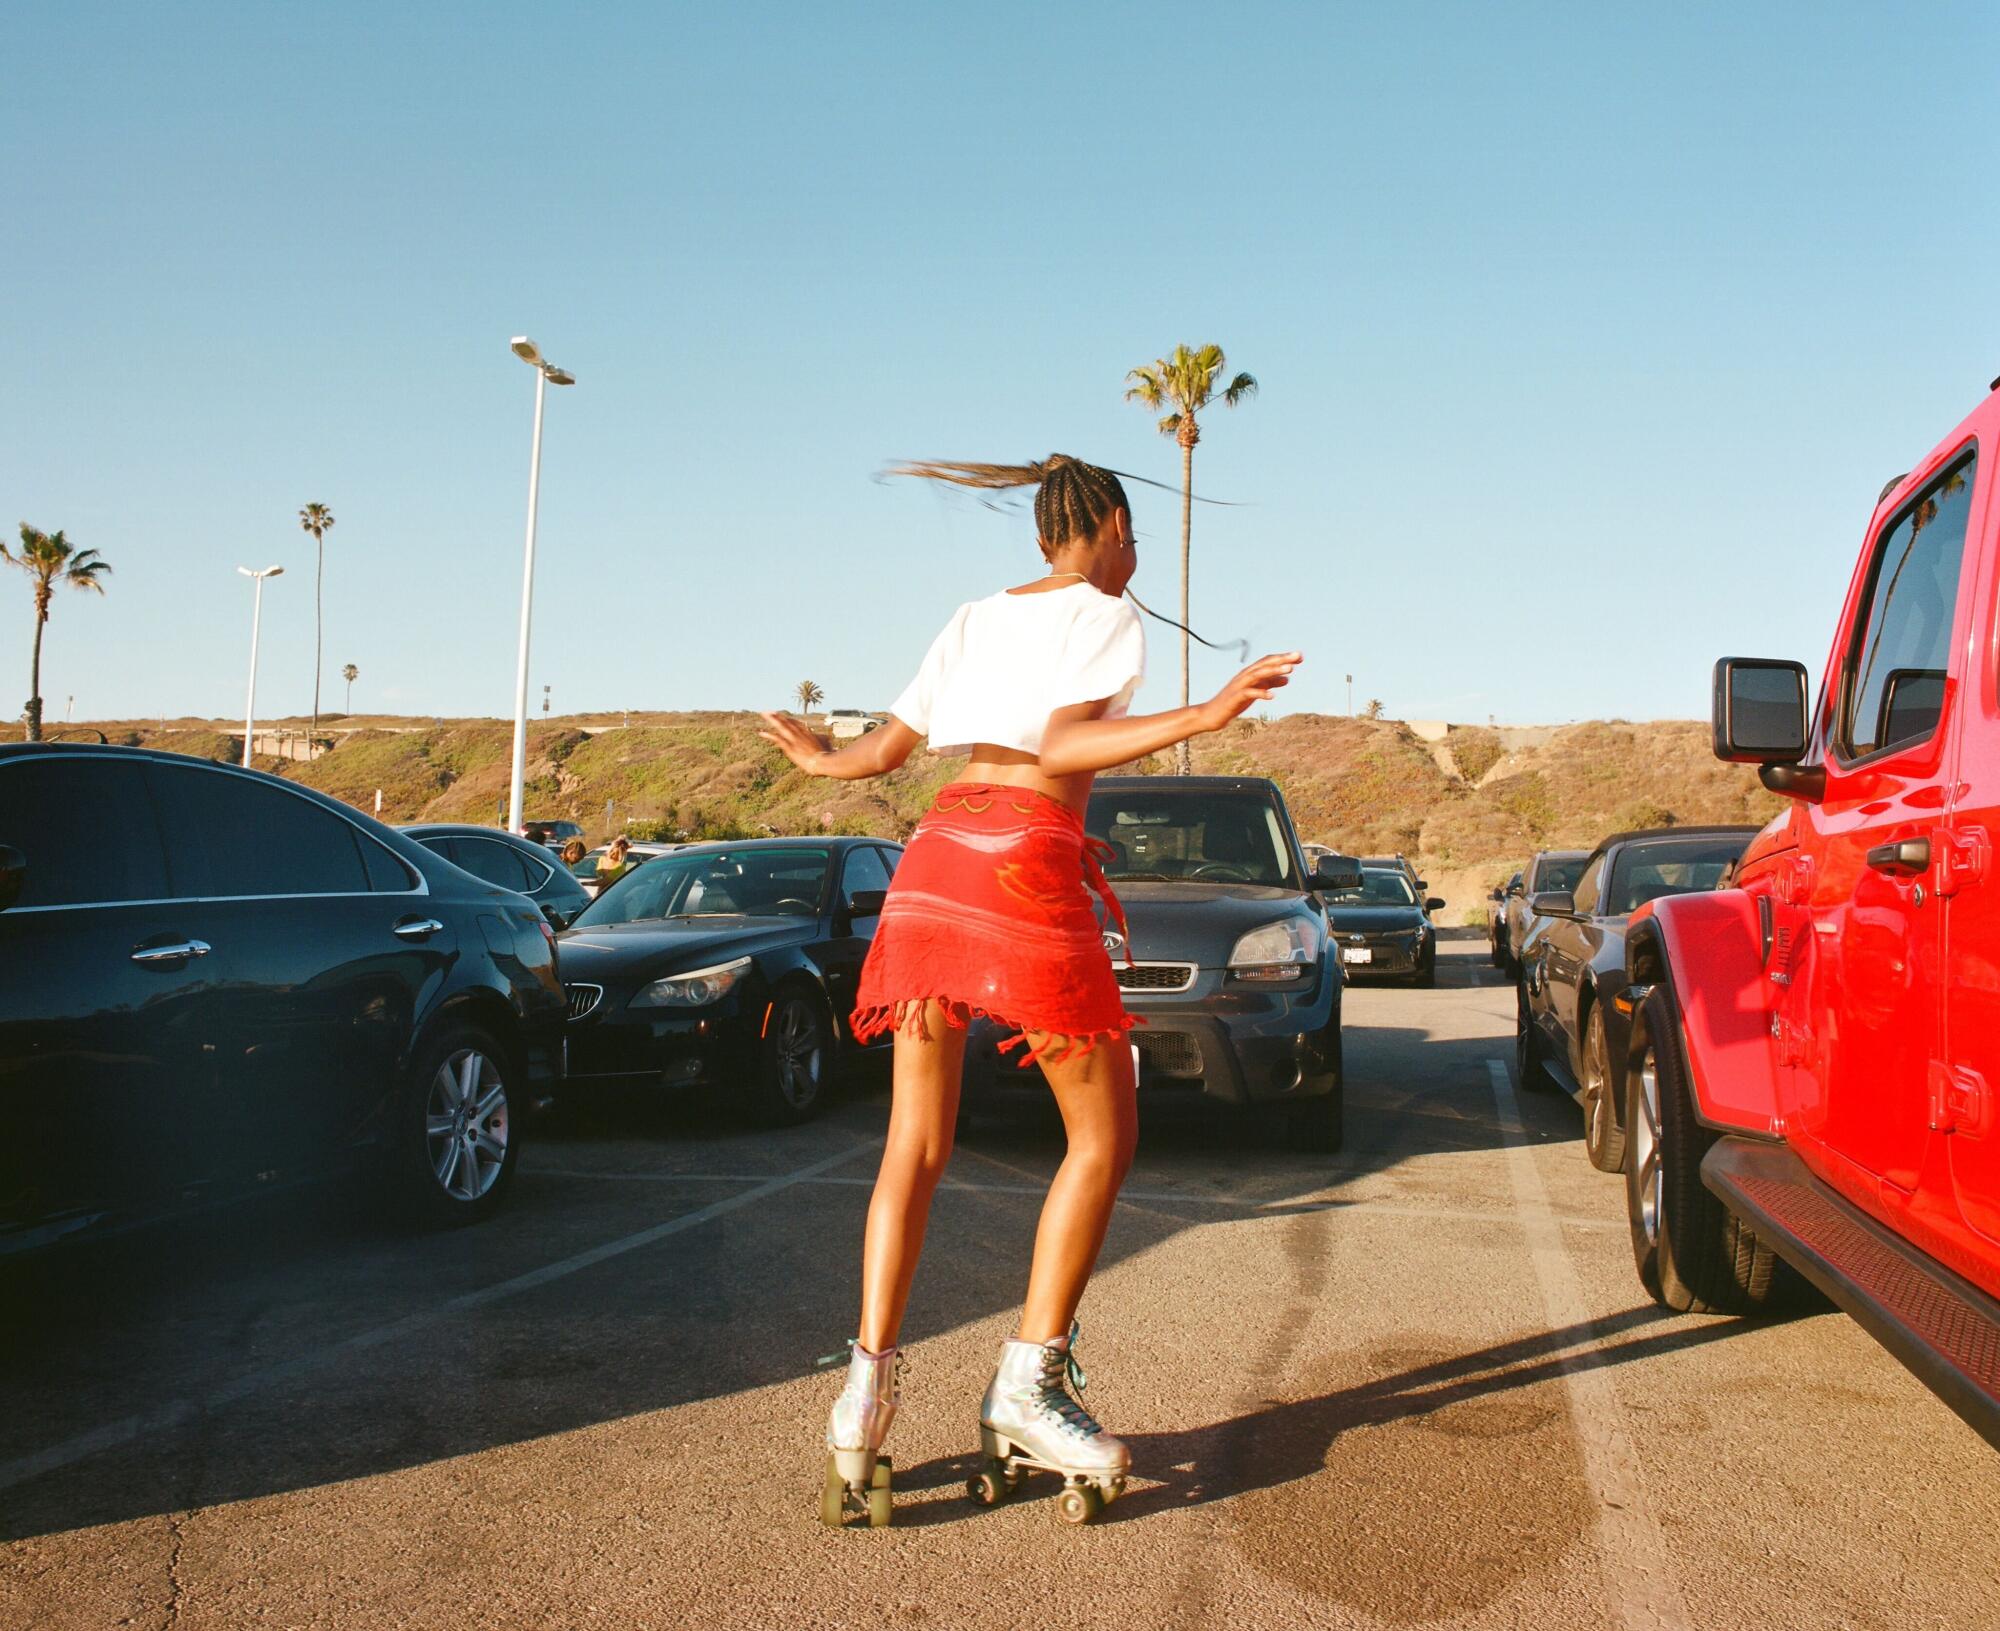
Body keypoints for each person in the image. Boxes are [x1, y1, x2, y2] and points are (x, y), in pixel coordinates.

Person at [758, 453, 1299, 1526]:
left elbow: (884, 751)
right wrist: (1205, 714)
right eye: (1131, 535)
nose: (1134, 557)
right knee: (1100, 1136)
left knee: (913, 1141)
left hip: (933, 858)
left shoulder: (972, 616)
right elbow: (1063, 742)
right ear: (1100, 525)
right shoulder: (1105, 607)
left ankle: (862, 1397)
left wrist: (820, 763)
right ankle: (1026, 1380)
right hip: (1021, 864)